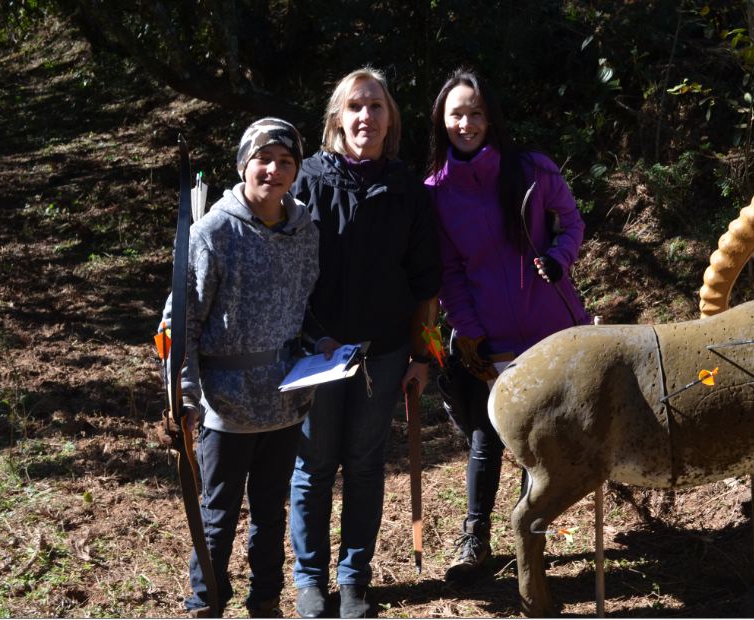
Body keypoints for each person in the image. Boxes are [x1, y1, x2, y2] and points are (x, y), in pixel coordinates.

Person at [425, 68, 590, 583]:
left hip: (551, 330)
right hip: (489, 339)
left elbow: (572, 222)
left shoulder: (532, 168)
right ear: (442, 120)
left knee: (537, 441)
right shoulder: (436, 192)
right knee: (486, 435)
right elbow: (449, 271)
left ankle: (529, 539)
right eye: (457, 114)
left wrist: (558, 259)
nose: (467, 123)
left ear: (491, 117)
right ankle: (474, 539)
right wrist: (470, 330)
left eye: (476, 113)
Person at [289, 67, 441, 619]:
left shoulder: (408, 192)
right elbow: (288, 274)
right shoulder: (306, 182)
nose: (366, 117)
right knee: (313, 465)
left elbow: (427, 284)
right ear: (337, 118)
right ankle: (310, 582)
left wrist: (423, 356)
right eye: (355, 106)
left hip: (384, 354)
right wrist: (312, 336)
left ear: (390, 120)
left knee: (364, 465)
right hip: (318, 353)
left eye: (376, 106)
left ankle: (354, 581)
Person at [159, 117, 319, 618]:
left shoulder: (304, 231)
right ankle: (205, 605)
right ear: (243, 165)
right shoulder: (212, 233)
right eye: (263, 159)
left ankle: (265, 602)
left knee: (270, 513)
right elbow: (179, 323)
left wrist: (321, 348)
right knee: (217, 515)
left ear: (296, 171)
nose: (274, 170)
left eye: (286, 161)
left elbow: (306, 305)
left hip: (284, 402)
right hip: (224, 407)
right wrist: (184, 396)